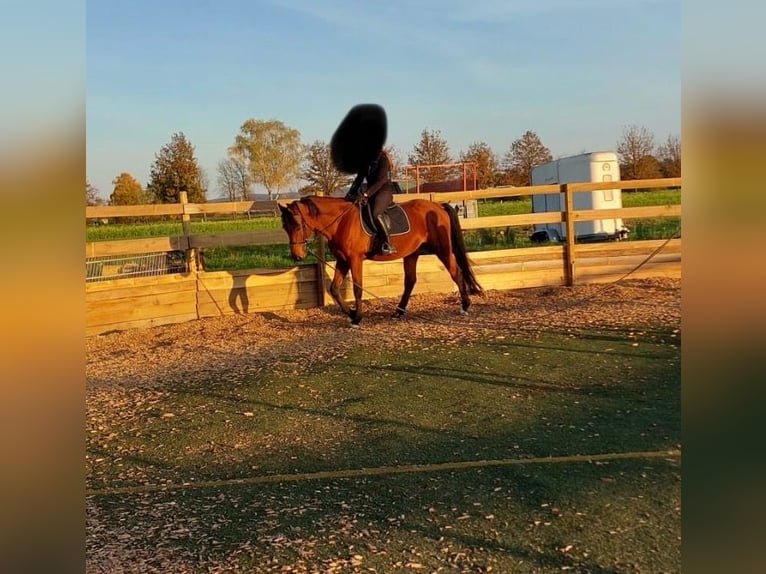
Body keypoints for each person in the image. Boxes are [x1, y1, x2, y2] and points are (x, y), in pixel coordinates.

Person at [346, 149, 397, 254]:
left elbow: (381, 180)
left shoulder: (383, 160)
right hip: (371, 193)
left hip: (384, 191)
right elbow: (359, 179)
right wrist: (349, 194)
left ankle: (388, 244)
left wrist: (366, 194)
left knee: (376, 214)